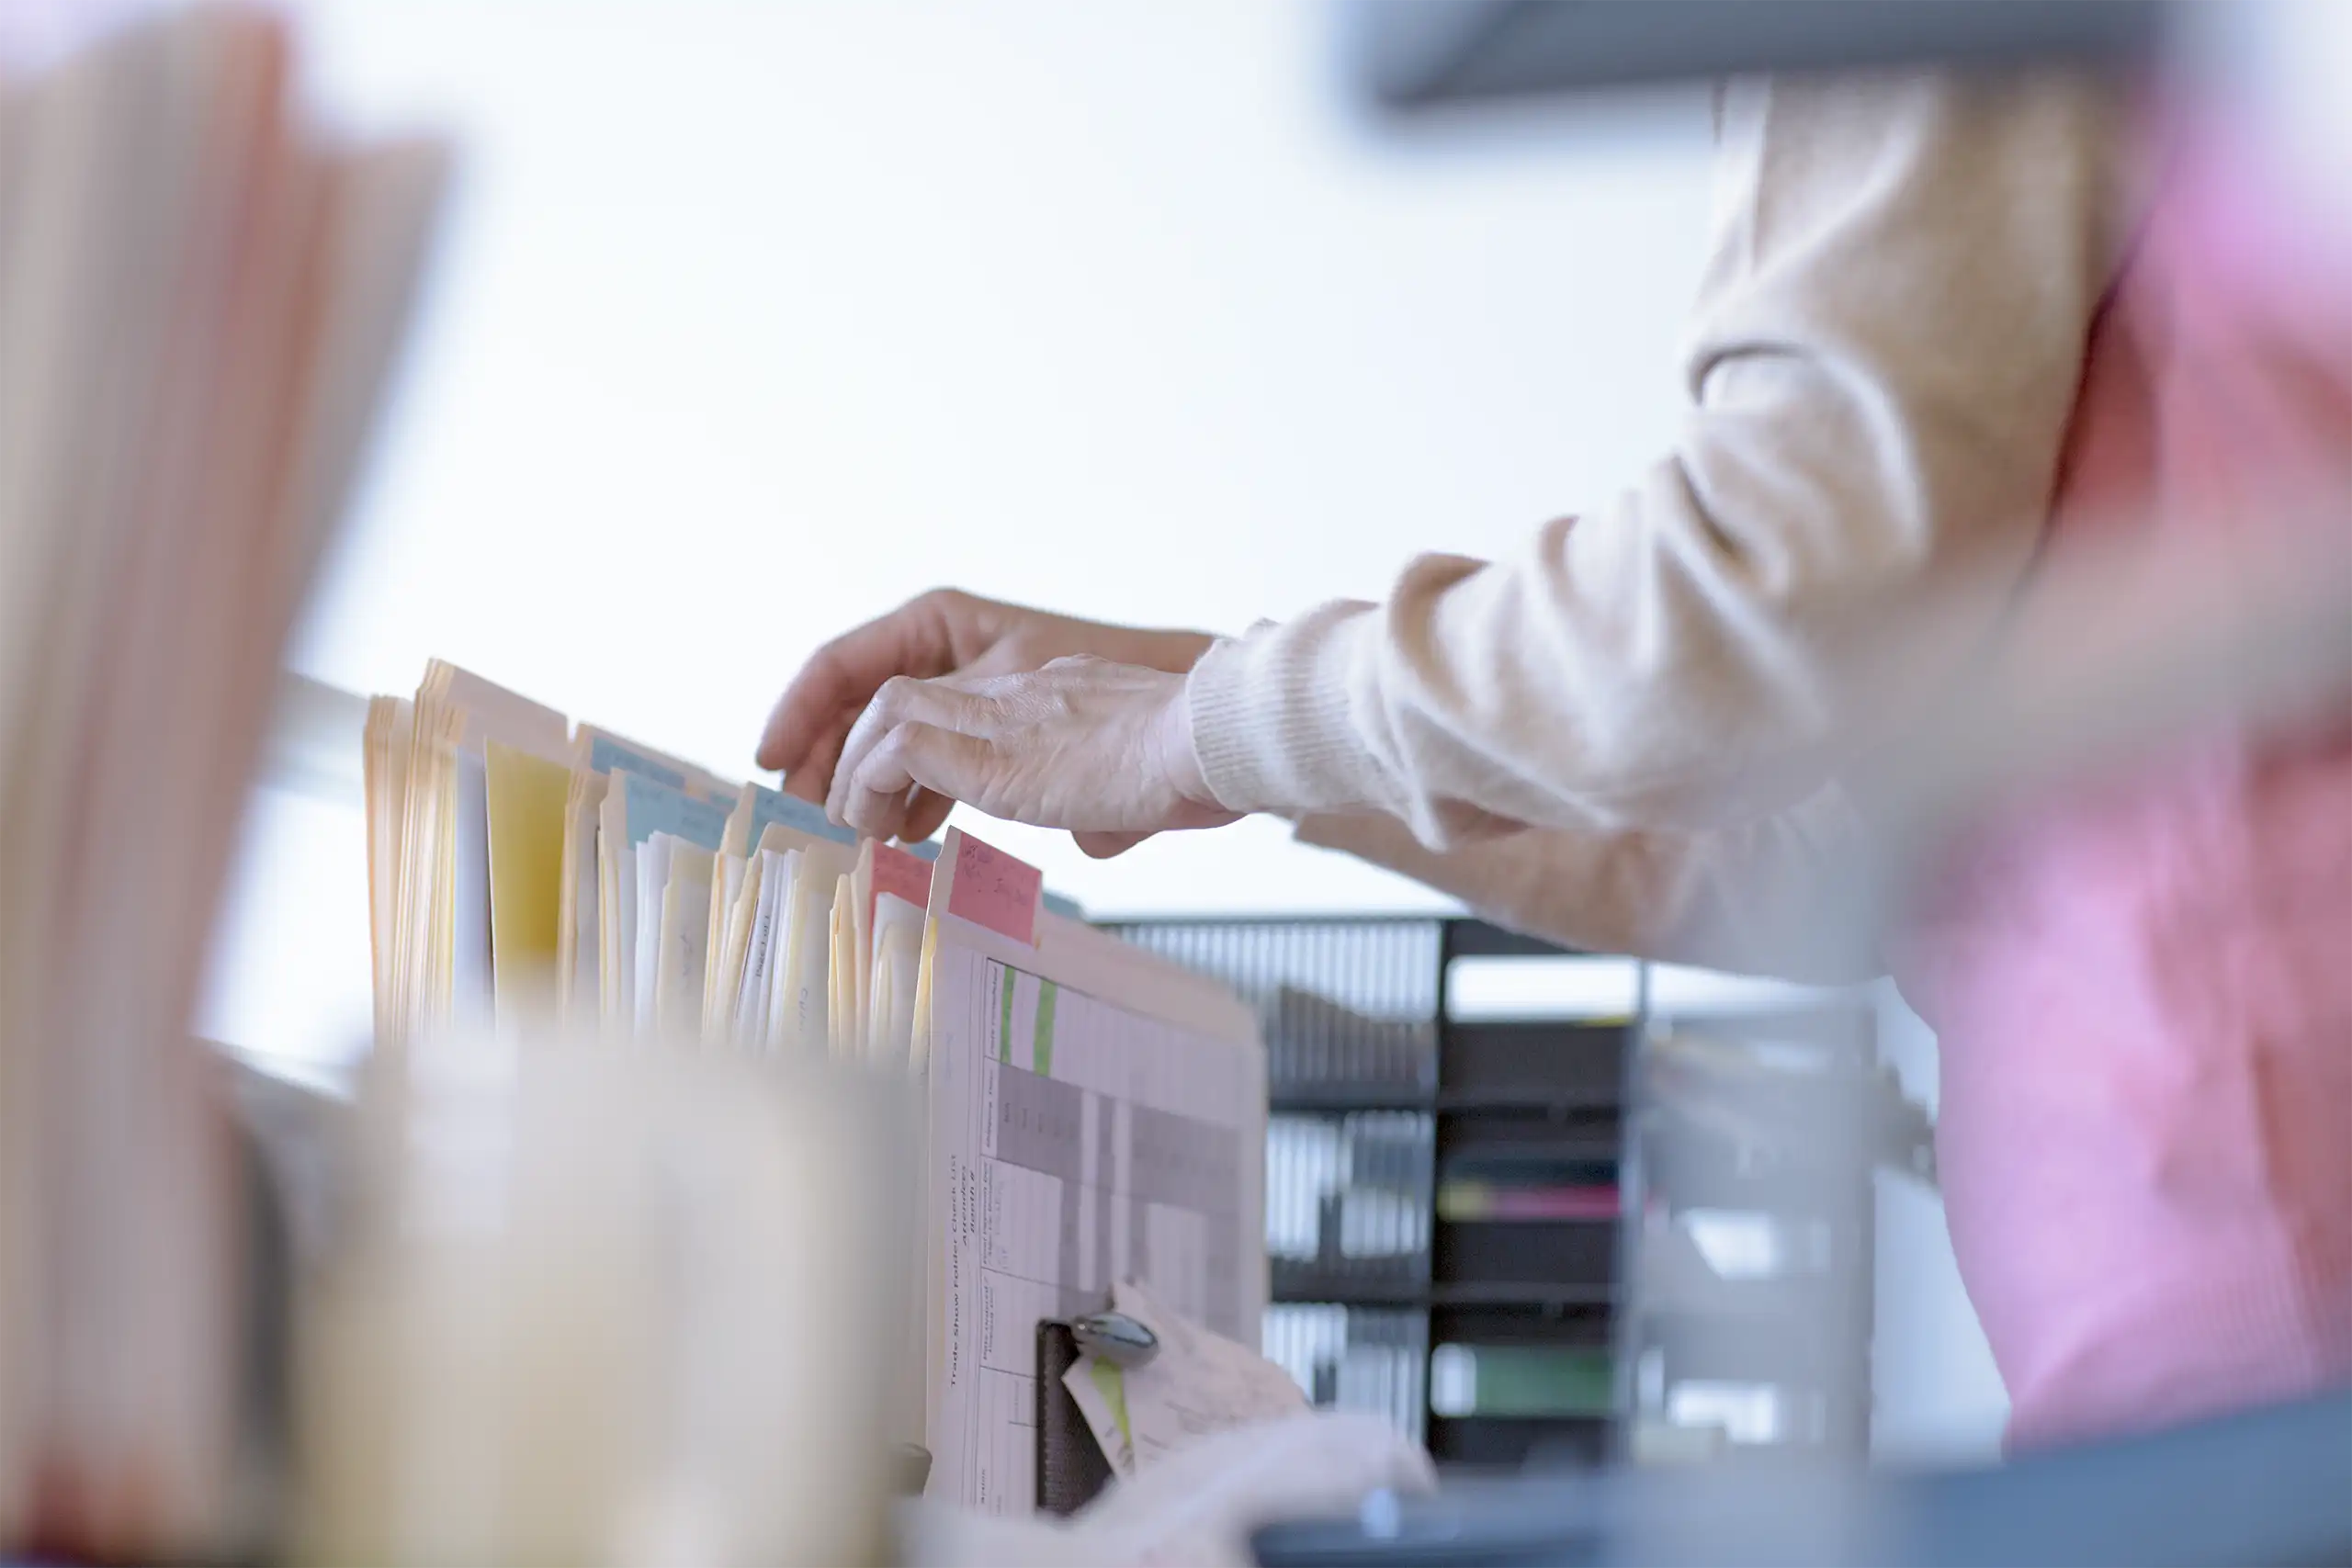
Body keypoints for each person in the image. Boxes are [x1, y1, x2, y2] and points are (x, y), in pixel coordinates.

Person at [759, 70, 2352, 1451]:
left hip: (2263, 1262)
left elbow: (1774, 609)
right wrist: (1183, 708)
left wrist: (1203, 729)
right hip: (2220, 1261)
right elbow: (1815, 826)